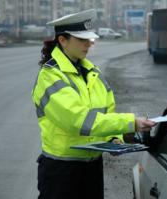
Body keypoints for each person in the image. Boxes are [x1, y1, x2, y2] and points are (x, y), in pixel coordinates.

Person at [31, 9, 156, 199]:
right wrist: (131, 122)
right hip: (61, 171)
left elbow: (105, 113)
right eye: (82, 40)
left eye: (89, 39)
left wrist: (114, 138)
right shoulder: (50, 76)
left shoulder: (91, 71)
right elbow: (78, 120)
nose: (89, 44)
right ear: (63, 40)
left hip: (92, 167)